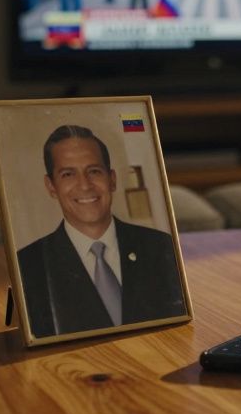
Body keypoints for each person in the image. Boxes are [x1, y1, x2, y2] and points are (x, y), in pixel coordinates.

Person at [16, 125, 186, 338]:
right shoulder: (28, 265)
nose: (85, 185)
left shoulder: (159, 246)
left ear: (112, 179)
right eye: (68, 174)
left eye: (94, 171)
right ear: (51, 186)